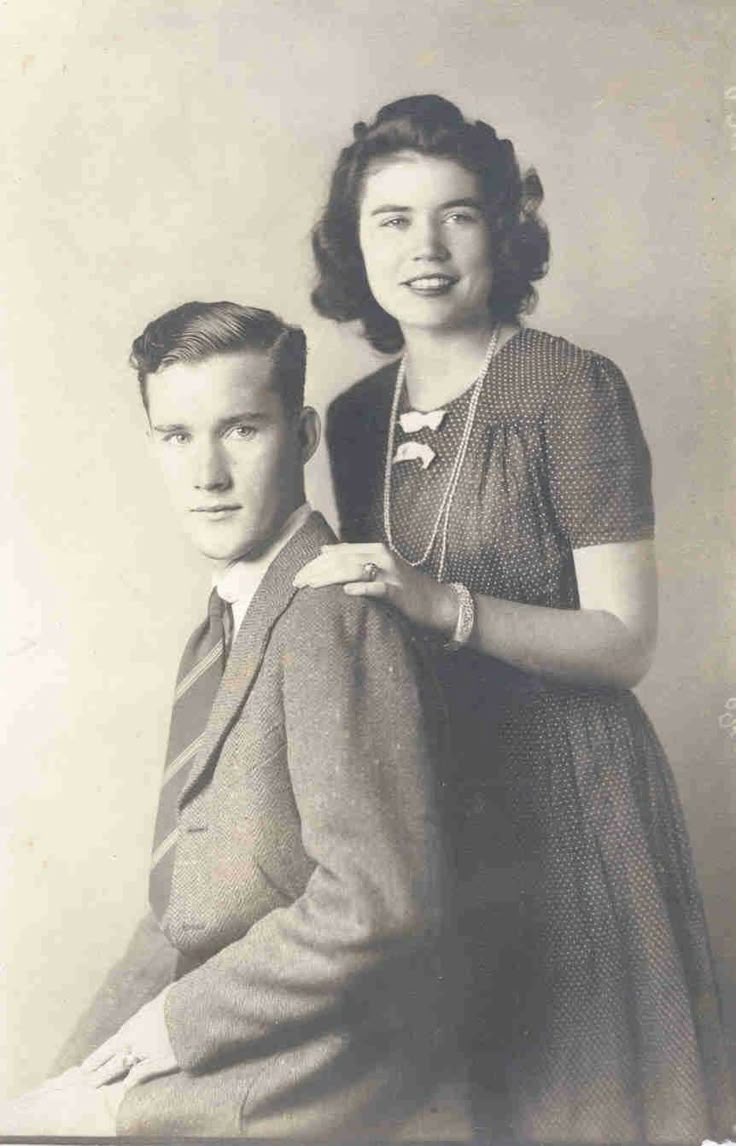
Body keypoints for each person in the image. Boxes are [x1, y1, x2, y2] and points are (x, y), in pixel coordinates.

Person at [295, 94, 735, 1143]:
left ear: (503, 229)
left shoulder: (573, 389)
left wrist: (438, 605)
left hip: (574, 808)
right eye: (391, 219)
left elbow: (624, 641)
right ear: (354, 247)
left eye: (457, 214)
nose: (426, 246)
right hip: (430, 807)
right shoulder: (358, 416)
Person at [0, 301, 471, 1140]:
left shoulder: (331, 612)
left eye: (242, 430)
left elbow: (375, 901)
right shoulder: (231, 613)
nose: (206, 474)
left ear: (305, 434)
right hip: (242, 1032)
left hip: (324, 1062)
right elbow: (185, 902)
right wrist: (81, 1067)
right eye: (177, 437)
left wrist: (170, 1029)